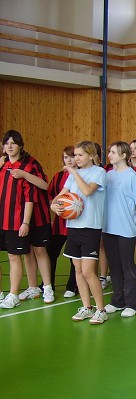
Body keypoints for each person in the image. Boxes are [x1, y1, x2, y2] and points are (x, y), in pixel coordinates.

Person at [50, 141, 107, 323]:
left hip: (90, 227)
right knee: (78, 270)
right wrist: (54, 205)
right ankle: (86, 307)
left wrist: (74, 172)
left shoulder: (99, 172)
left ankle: (101, 309)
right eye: (74, 155)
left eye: (80, 155)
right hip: (73, 227)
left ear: (91, 155)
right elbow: (62, 195)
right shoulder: (72, 176)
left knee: (89, 271)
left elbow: (87, 191)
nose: (76, 159)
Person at [0, 130, 53, 308]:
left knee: (39, 251)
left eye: (13, 143)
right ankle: (33, 287)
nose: (9, 146)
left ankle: (47, 288)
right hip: (15, 219)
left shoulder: (30, 164)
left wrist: (24, 175)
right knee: (27, 252)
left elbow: (45, 186)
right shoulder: (4, 165)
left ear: (21, 146)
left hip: (36, 216)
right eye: (6, 143)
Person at [102, 142, 136, 318]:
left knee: (128, 266)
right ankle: (118, 300)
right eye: (110, 152)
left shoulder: (132, 177)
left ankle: (132, 303)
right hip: (108, 227)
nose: (110, 155)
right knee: (115, 266)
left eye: (113, 152)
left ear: (123, 155)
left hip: (125, 228)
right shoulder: (107, 175)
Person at [46, 146, 78, 297]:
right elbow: (51, 196)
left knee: (74, 257)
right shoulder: (58, 176)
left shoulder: (81, 176)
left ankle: (72, 286)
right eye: (66, 157)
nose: (69, 160)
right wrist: (55, 205)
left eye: (71, 156)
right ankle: (48, 284)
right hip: (59, 224)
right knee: (51, 253)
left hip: (75, 224)